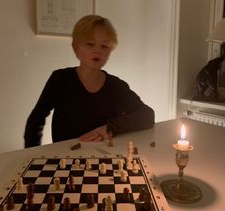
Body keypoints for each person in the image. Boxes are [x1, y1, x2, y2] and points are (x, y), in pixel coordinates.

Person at [24, 15, 154, 147]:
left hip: (106, 157)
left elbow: (147, 115)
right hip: (66, 157)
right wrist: (31, 152)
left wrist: (110, 128)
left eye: (104, 46)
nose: (97, 50)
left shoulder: (116, 86)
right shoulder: (60, 79)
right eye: (90, 44)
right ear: (76, 48)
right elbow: (36, 119)